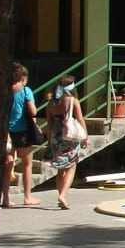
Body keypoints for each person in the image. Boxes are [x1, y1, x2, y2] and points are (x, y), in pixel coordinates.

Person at [45, 75, 88, 210]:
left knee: (60, 169)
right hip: (70, 137)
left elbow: (49, 124)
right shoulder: (73, 101)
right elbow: (80, 119)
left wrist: (49, 140)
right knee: (71, 167)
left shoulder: (51, 104)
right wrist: (85, 136)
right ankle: (63, 196)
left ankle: (61, 196)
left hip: (56, 137)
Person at [5, 62, 40, 207]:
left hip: (6, 132)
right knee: (27, 164)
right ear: (23, 78)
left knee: (8, 165)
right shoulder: (26, 91)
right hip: (23, 130)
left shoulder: (5, 91)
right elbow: (33, 111)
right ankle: (27, 197)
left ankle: (5, 198)